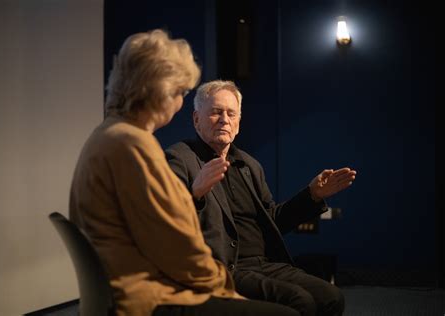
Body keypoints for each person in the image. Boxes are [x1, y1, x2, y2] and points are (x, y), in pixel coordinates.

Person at [69, 30, 302, 316]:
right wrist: (225, 287)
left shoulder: (108, 134)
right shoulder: (134, 145)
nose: (180, 101)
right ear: (158, 90)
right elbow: (175, 248)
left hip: (129, 284)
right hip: (149, 295)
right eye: (180, 92)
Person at [165, 80, 357, 316]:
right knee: (300, 301)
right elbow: (165, 221)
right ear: (197, 119)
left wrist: (312, 196)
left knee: (331, 297)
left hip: (265, 264)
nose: (224, 119)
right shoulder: (179, 158)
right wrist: (195, 192)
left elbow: (273, 220)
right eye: (216, 112)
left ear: (238, 123)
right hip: (224, 267)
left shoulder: (249, 164)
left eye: (231, 113)